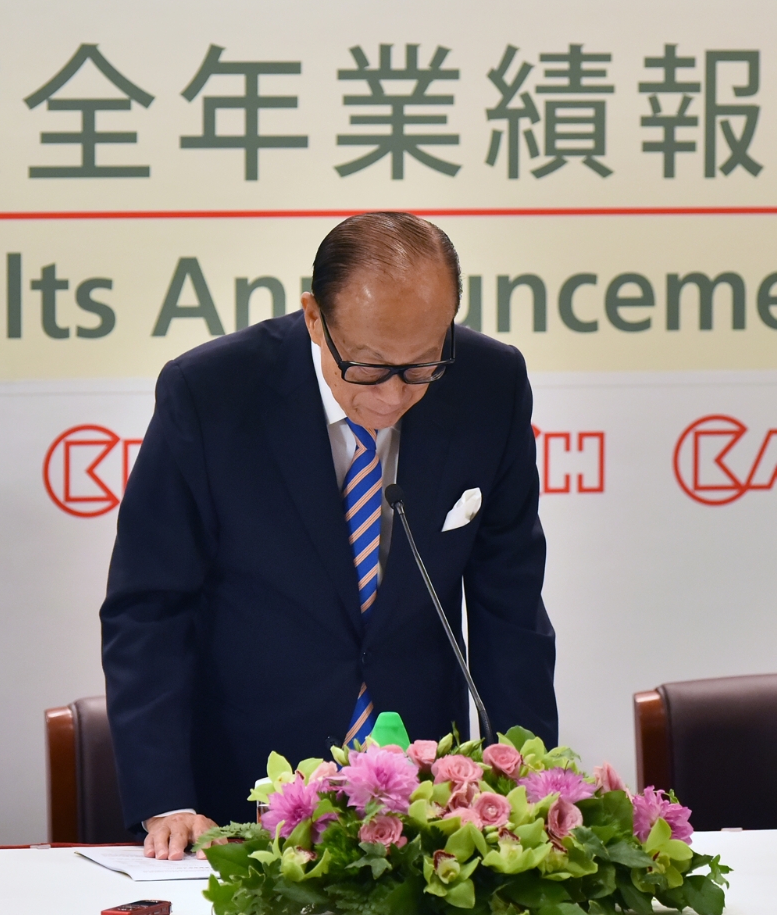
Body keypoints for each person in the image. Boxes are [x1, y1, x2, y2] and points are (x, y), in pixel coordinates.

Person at [101, 212, 557, 860]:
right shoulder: (212, 393)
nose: (394, 396)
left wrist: (528, 785)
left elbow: (510, 609)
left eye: (422, 366)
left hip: (429, 799)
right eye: (368, 367)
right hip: (242, 790)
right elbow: (149, 606)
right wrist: (167, 797)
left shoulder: (490, 384)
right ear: (315, 317)